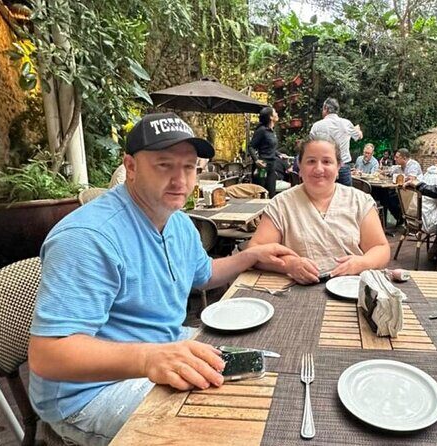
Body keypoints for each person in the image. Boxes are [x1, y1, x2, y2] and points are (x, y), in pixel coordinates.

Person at [28, 112, 296, 445]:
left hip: (161, 347)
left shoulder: (178, 222)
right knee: (223, 426)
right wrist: (149, 358)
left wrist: (250, 256)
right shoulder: (88, 237)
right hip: (88, 394)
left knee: (263, 364)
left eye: (189, 167)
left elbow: (204, 275)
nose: (180, 180)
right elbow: (48, 354)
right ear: (130, 167)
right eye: (164, 165)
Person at [248, 135, 390, 284]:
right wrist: (289, 264)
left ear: (338, 167)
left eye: (327, 161)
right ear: (299, 167)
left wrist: (362, 263)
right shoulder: (281, 204)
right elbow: (255, 251)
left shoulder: (359, 201)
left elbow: (380, 248)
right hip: (296, 290)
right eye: (311, 161)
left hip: (350, 288)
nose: (319, 169)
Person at [309, 97, 363, 187]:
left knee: (323, 193)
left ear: (326, 108)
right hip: (343, 166)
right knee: (345, 194)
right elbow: (359, 136)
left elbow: (311, 146)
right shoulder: (345, 123)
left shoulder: (316, 126)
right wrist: (357, 130)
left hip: (324, 167)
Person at [248, 106, 281, 198]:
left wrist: (279, 154)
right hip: (262, 166)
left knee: (272, 194)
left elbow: (269, 147)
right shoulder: (262, 130)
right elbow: (250, 146)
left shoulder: (272, 131)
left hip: (272, 166)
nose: (277, 114)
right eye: (275, 112)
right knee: (261, 194)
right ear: (270, 117)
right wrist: (256, 160)